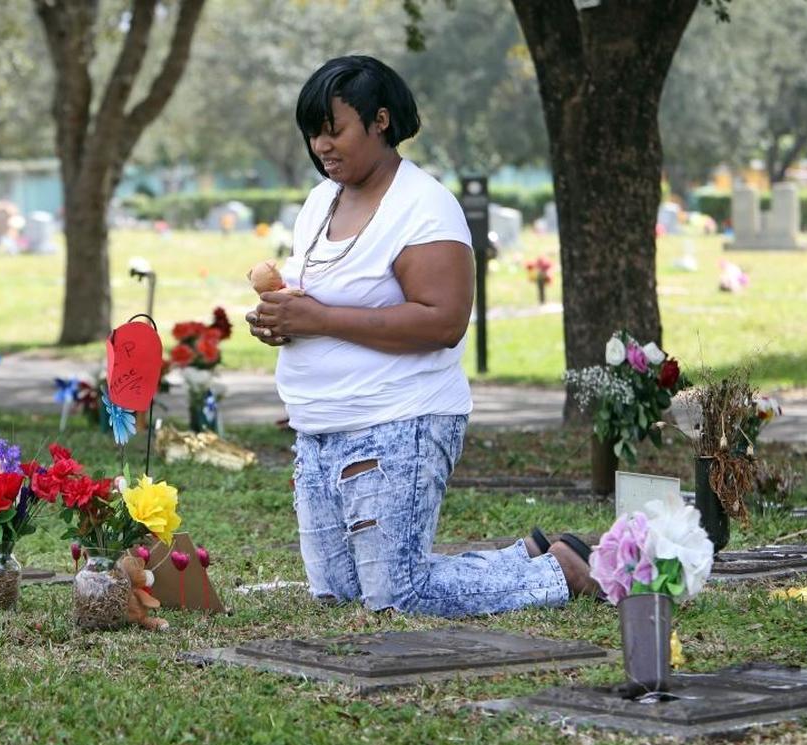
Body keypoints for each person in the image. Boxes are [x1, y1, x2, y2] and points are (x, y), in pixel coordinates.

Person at [246, 55, 598, 617]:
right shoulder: (320, 202)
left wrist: (318, 321)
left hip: (397, 422)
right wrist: (282, 322)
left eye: (334, 130)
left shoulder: (423, 208)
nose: (322, 146)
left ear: (380, 120)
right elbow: (317, 301)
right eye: (313, 133)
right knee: (340, 594)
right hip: (321, 427)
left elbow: (443, 321)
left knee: (398, 597)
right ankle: (526, 556)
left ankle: (559, 574)